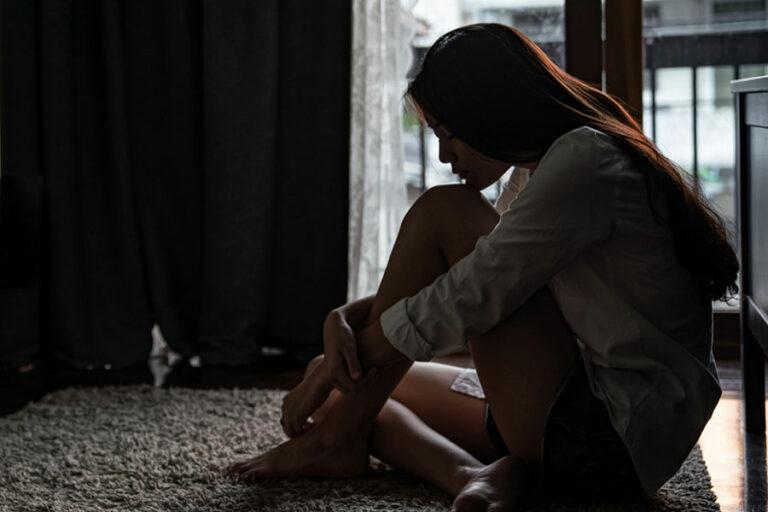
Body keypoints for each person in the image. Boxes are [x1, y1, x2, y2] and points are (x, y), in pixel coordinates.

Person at [227, 23, 739, 511]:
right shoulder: (545, 166)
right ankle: (469, 476)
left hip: (608, 435)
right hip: (579, 411)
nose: (444, 156)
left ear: (491, 112)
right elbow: (459, 279)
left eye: (449, 134)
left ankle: (337, 439)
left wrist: (351, 352)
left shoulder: (584, 161)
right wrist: (342, 320)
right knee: (338, 382)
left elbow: (472, 292)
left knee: (442, 211)